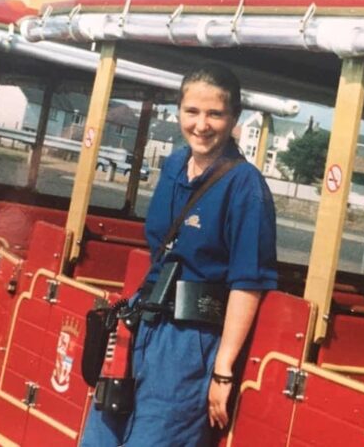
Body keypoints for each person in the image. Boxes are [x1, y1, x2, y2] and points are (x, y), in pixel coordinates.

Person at [82, 66, 278, 446]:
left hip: (189, 343)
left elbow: (248, 282)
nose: (201, 125)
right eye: (192, 112)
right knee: (100, 440)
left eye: (215, 114)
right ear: (178, 112)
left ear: (234, 119)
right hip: (141, 324)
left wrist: (222, 370)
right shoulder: (173, 166)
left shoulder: (245, 186)